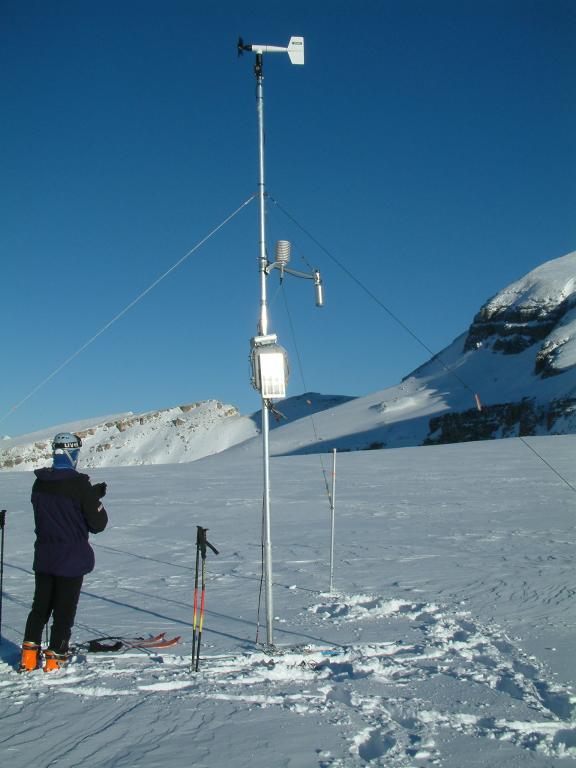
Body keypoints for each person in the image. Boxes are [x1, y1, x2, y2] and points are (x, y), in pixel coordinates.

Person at [20, 432, 108, 673]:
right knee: (64, 611)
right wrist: (93, 498)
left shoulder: (40, 482)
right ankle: (55, 657)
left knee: (40, 608)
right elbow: (98, 524)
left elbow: (59, 505)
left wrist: (90, 495)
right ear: (72, 453)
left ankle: (28, 657)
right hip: (70, 558)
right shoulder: (79, 484)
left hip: (45, 556)